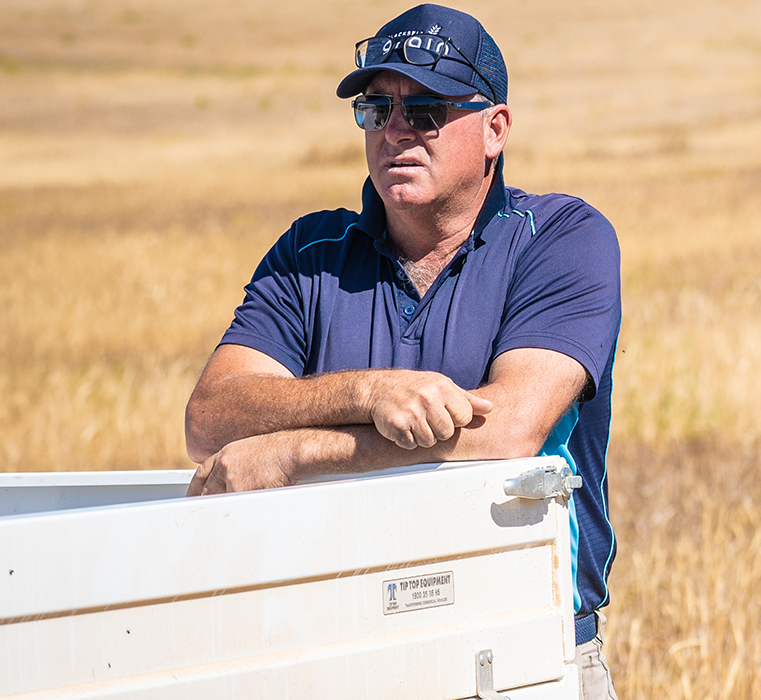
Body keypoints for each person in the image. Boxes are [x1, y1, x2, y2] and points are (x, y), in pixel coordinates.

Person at [182, 4, 621, 698]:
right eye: (376, 108)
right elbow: (210, 418)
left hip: (523, 646)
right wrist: (368, 393)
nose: (394, 131)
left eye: (425, 110)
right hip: (339, 653)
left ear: (494, 129)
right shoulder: (309, 254)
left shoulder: (562, 239)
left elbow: (508, 432)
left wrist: (297, 450)